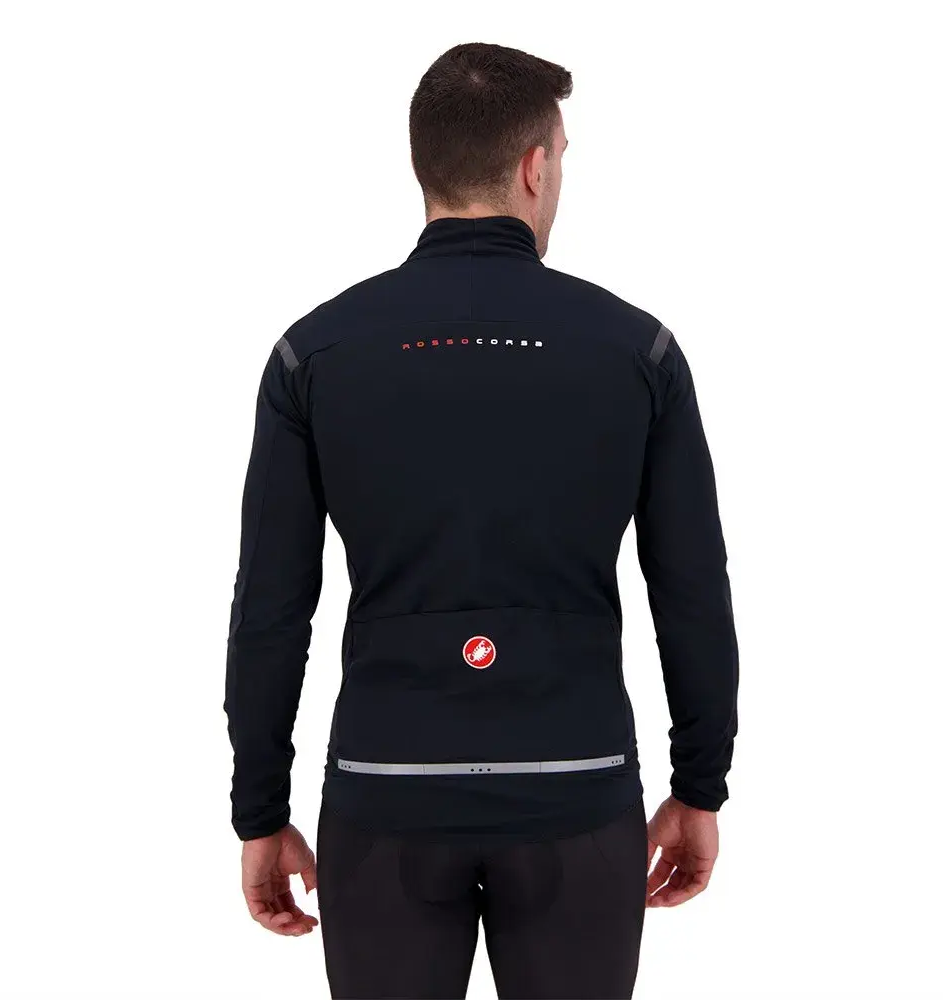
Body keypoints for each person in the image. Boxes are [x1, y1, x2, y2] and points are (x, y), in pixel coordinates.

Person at [224, 41, 738, 1000]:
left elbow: (271, 609)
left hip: (385, 789)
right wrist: (699, 785)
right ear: (535, 166)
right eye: (564, 157)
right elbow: (693, 593)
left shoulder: (313, 354)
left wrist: (260, 809)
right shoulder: (639, 351)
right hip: (577, 785)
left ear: (426, 164)